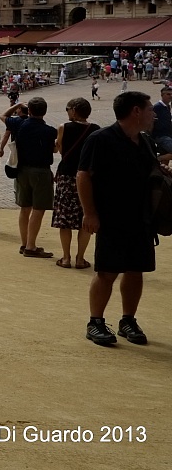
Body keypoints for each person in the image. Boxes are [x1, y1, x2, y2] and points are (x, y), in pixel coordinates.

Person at [78, 91, 161, 346]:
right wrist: (90, 213)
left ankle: (128, 320)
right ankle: (96, 321)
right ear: (136, 111)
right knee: (107, 271)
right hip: (111, 217)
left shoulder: (145, 141)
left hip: (141, 219)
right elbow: (83, 176)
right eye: (149, 109)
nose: (153, 114)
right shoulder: (101, 139)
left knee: (136, 271)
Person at [2, 97, 58, 258]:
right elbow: (55, 150)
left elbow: (3, 116)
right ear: (45, 112)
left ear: (30, 111)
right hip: (41, 171)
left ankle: (24, 243)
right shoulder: (49, 131)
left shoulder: (19, 124)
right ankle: (31, 246)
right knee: (38, 209)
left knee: (24, 208)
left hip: (22, 170)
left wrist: (18, 105)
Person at [52, 97, 98, 269]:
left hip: (66, 176)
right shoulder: (95, 130)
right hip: (87, 178)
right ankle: (80, 258)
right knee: (85, 217)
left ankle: (65, 257)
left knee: (65, 219)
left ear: (73, 110)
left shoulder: (63, 128)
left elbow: (63, 151)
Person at [151, 85, 172, 155]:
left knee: (164, 152)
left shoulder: (167, 106)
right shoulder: (157, 107)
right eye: (168, 94)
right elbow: (152, 121)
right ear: (162, 95)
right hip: (161, 136)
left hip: (167, 134)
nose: (170, 96)